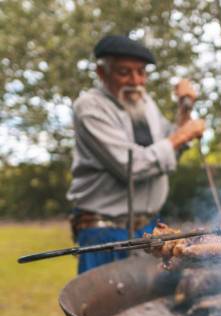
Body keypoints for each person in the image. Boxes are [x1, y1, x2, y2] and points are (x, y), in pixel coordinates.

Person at [66, 35, 205, 273]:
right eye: (124, 72)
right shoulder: (90, 107)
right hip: (105, 232)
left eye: (141, 72)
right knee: (104, 307)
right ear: (101, 73)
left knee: (148, 304)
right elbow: (132, 167)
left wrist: (183, 112)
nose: (136, 81)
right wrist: (183, 135)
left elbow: (168, 150)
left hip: (151, 228)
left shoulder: (146, 103)